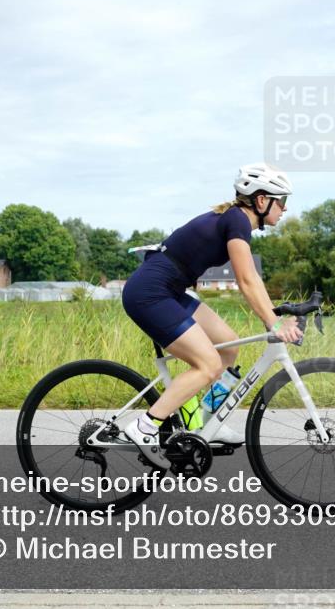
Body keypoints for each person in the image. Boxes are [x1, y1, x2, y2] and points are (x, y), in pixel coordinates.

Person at [121, 163, 304, 469]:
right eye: (281, 201)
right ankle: (145, 426)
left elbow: (252, 279)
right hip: (149, 293)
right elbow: (246, 280)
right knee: (207, 364)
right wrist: (274, 323)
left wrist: (274, 315)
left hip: (170, 290)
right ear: (262, 200)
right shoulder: (237, 220)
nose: (284, 208)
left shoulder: (235, 220)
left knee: (228, 345)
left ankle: (206, 422)